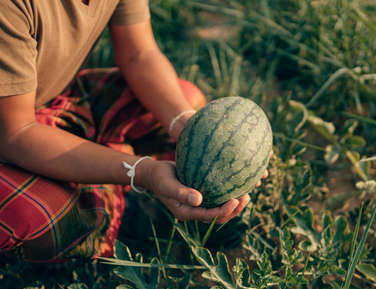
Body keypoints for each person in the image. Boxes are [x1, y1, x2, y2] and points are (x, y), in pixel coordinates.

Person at [0, 0, 267, 262]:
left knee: (187, 99)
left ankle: (107, 200)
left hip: (52, 99)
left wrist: (187, 125)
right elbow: (16, 133)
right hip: (12, 129)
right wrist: (143, 172)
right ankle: (120, 214)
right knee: (36, 216)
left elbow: (139, 54)